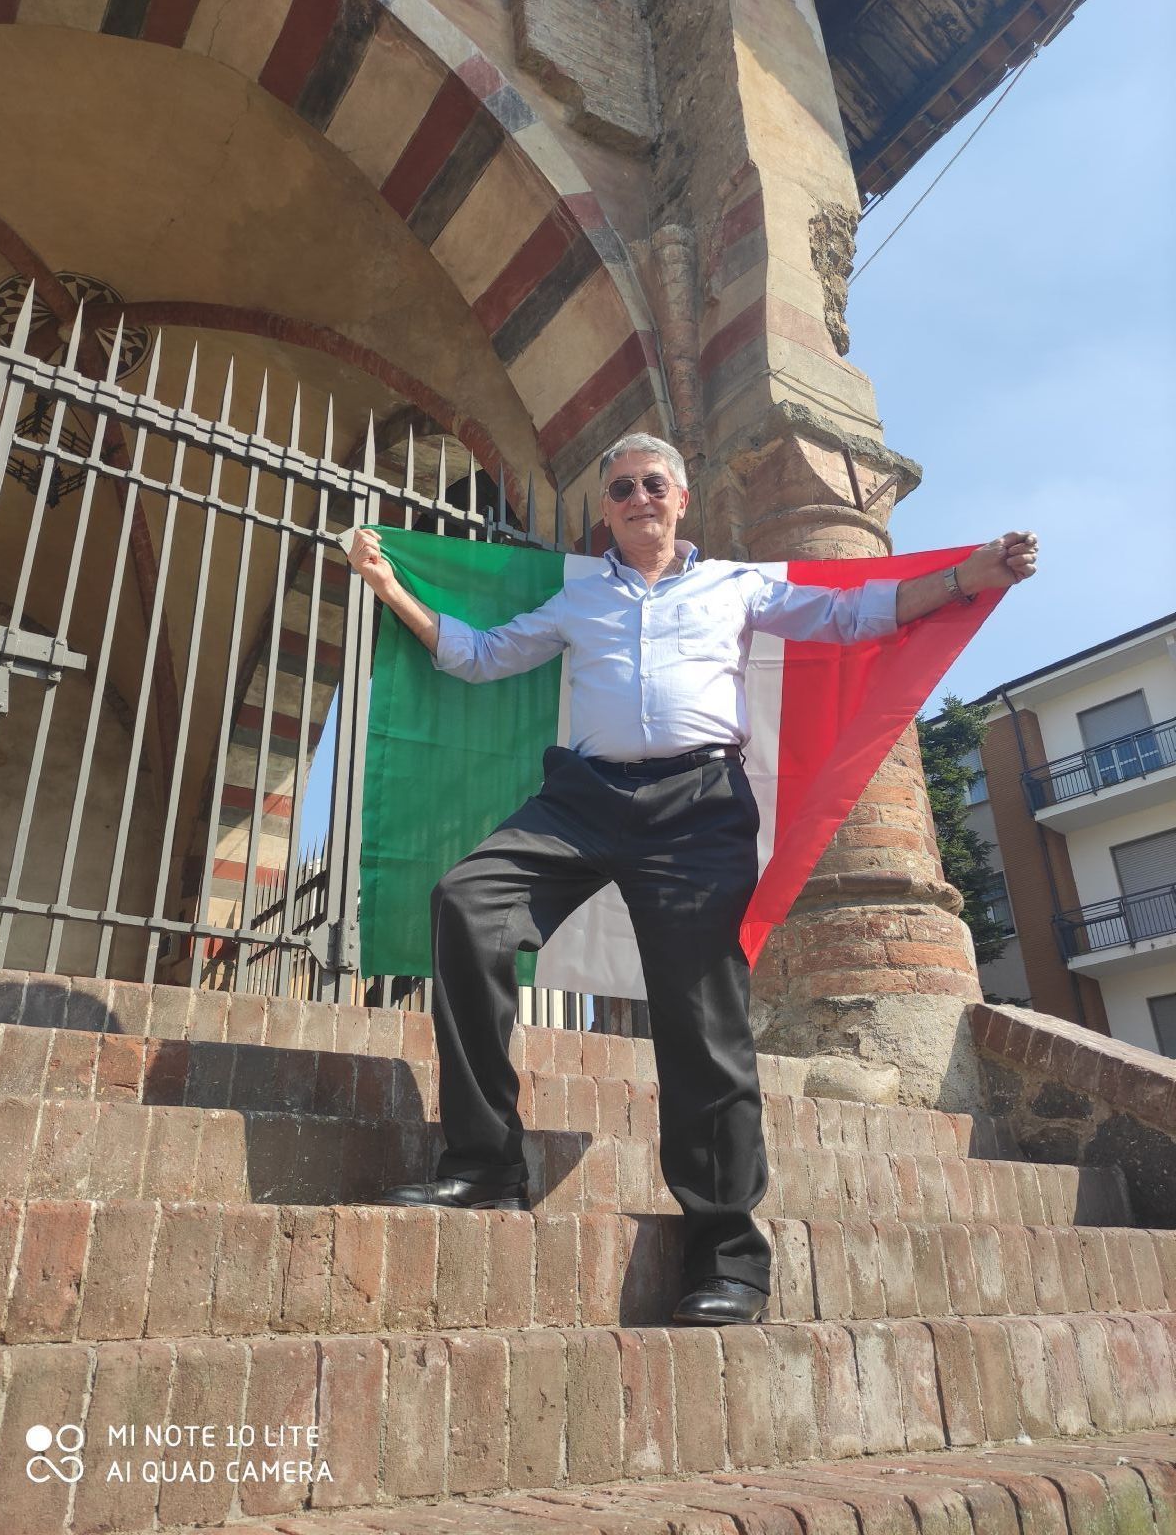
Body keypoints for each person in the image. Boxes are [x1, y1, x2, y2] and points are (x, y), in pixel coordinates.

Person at [347, 432, 1039, 1325]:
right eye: (620, 489)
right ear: (606, 511)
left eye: (652, 484)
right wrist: (390, 587)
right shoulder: (578, 597)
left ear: (680, 499)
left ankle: (725, 1254)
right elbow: (481, 655)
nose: (637, 497)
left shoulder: (735, 585)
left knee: (703, 1020)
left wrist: (963, 578)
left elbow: (852, 614)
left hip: (699, 806)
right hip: (584, 797)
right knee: (467, 904)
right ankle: (485, 1168)